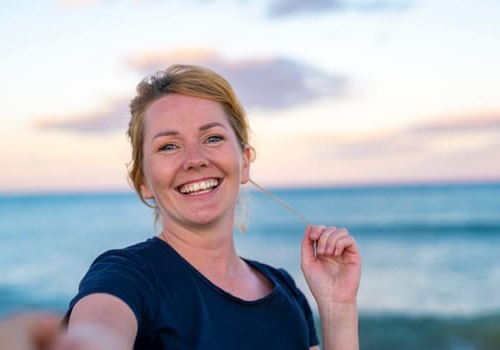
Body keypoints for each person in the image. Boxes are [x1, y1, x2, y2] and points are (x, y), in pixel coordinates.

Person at [57, 64, 362, 350]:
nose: (195, 159)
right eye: (168, 146)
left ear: (244, 162)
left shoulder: (285, 291)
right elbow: (97, 334)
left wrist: (338, 308)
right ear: (143, 181)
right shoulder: (127, 277)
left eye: (212, 138)